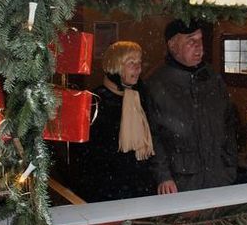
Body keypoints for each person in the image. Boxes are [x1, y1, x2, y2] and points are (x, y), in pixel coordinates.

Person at [145, 19, 238, 194]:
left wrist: (230, 164)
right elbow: (152, 135)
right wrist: (163, 175)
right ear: (172, 46)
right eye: (190, 41)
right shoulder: (157, 84)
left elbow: (229, 123)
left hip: (219, 176)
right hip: (181, 180)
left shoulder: (212, 78)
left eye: (200, 40)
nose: (198, 46)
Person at [72, 41, 156, 202]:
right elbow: (83, 156)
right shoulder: (94, 102)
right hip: (107, 191)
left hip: (141, 190)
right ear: (115, 66)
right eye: (131, 63)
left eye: (139, 62)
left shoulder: (141, 97)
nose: (138, 68)